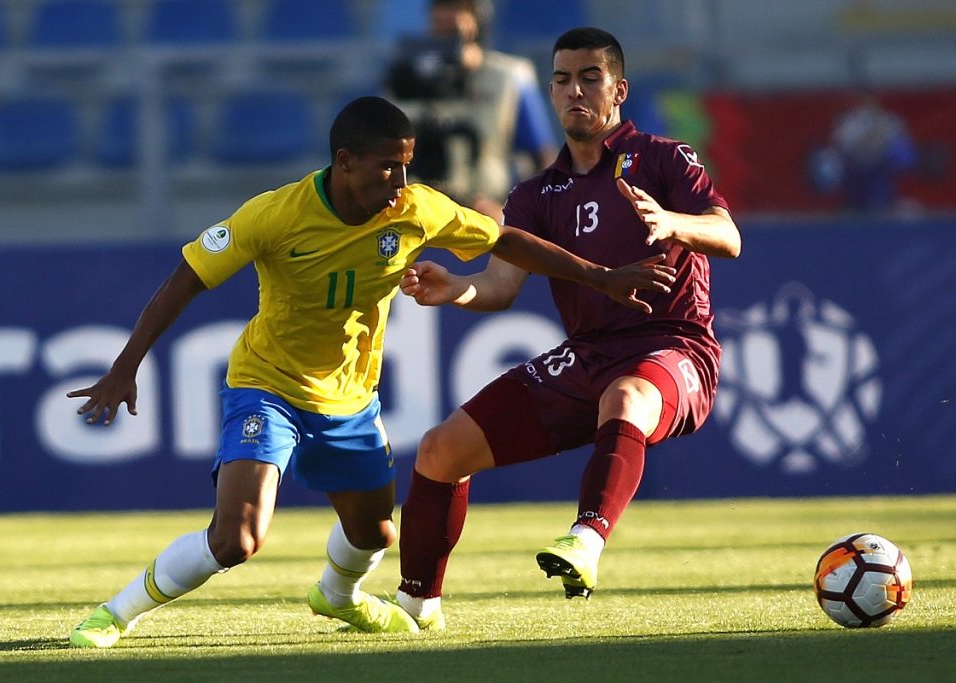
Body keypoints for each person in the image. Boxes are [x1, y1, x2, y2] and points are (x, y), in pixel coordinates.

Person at [65, 95, 677, 648]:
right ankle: (114, 615)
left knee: (376, 535)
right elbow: (186, 281)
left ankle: (337, 596)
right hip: (268, 387)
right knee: (237, 539)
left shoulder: (415, 209)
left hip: (351, 401)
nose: (401, 181)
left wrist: (600, 277)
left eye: (407, 165)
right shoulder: (274, 215)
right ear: (345, 162)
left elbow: (505, 243)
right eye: (388, 166)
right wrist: (125, 367)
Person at [392, 27, 741, 630]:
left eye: (589, 78)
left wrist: (674, 222)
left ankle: (585, 540)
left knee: (626, 397)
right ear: (550, 93)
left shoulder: (663, 158)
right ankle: (416, 606)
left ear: (619, 90)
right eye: (561, 79)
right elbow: (500, 287)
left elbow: (728, 235)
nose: (574, 90)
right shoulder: (535, 195)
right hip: (586, 355)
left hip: (674, 346)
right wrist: (457, 287)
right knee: (440, 449)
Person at [385, 0, 557, 221]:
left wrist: (514, 212)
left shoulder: (507, 79)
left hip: (485, 213)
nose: (445, 20)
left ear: (478, 20)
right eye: (439, 15)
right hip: (419, 214)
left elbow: (542, 160)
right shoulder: (404, 81)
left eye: (456, 11)